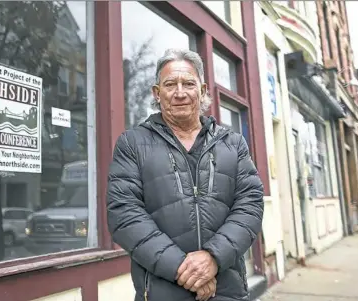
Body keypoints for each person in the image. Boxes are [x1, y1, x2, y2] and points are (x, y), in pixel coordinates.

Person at [107, 48, 264, 301]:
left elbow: (250, 205)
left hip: (226, 289)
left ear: (202, 91)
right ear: (157, 94)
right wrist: (184, 270)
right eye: (170, 84)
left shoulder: (233, 144)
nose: (180, 93)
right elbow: (124, 214)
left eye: (188, 84)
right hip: (161, 291)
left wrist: (213, 258)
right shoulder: (132, 143)